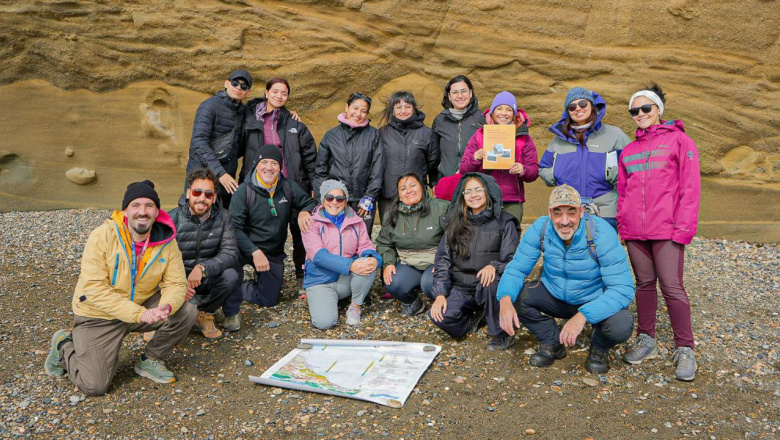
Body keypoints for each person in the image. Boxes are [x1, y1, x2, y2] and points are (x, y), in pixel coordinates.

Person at [45, 181, 196, 396]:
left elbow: (176, 283)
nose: (142, 212)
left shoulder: (166, 241)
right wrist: (140, 314)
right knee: (94, 386)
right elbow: (95, 289)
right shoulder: (102, 236)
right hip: (99, 315)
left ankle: (151, 359)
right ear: (125, 210)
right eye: (135, 205)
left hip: (140, 306)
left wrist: (166, 306)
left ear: (156, 211)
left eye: (149, 205)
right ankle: (63, 345)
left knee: (186, 310)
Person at [497, 185, 635, 374]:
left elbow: (622, 289)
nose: (564, 221)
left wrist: (583, 316)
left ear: (581, 212)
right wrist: (505, 299)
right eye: (557, 213)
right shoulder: (541, 228)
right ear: (549, 213)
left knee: (621, 324)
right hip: (555, 294)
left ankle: (599, 348)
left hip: (592, 297)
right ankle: (552, 341)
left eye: (571, 212)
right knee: (515, 295)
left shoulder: (601, 233)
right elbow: (517, 268)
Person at [618, 84, 701, 381]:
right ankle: (647, 339)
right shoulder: (628, 151)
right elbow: (623, 192)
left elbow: (690, 189)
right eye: (634, 110)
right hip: (635, 231)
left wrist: (684, 229)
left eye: (646, 108)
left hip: (667, 230)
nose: (640, 114)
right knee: (643, 284)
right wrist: (623, 224)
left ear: (658, 110)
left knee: (672, 286)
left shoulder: (680, 141)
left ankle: (685, 348)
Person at [239, 77, 318, 288]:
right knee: (263, 228)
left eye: (284, 93)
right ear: (266, 93)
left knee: (300, 230)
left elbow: (310, 158)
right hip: (260, 186)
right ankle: (259, 269)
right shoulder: (250, 120)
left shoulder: (294, 124)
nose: (279, 96)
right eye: (275, 91)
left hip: (291, 184)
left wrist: (313, 186)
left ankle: (302, 272)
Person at [429, 173, 519, 350]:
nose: (473, 195)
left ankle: (501, 333)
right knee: (439, 316)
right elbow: (443, 260)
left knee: (490, 283)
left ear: (488, 192)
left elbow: (514, 260)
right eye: (468, 191)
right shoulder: (455, 222)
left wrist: (494, 266)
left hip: (489, 285)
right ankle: (476, 318)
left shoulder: (504, 222)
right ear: (462, 196)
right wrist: (439, 295)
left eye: (478, 189)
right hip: (462, 286)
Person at [230, 144, 317, 309]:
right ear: (256, 165)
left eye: (274, 163)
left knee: (269, 300)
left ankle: (246, 286)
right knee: (227, 278)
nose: (269, 167)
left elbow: (310, 202)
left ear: (280, 167)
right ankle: (234, 285)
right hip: (245, 248)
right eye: (264, 162)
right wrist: (254, 251)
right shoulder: (243, 192)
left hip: (272, 252)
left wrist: (304, 211)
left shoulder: (288, 186)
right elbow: (234, 228)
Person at [539, 87, 631, 229]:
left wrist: (615, 175)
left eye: (583, 104)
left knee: (603, 244)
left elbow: (633, 165)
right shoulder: (558, 140)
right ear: (568, 112)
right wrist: (554, 174)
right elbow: (543, 168)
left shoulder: (615, 135)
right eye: (572, 106)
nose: (578, 108)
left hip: (605, 210)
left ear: (592, 106)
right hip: (568, 211)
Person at [169, 168, 241, 338]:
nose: (202, 198)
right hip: (177, 279)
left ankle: (204, 313)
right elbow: (158, 260)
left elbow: (230, 252)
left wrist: (203, 268)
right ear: (188, 193)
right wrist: (179, 283)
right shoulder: (172, 218)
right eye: (197, 192)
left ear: (214, 198)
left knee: (231, 275)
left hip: (204, 277)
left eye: (208, 194)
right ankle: (160, 319)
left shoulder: (223, 217)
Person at [302, 180, 382, 330]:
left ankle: (355, 306)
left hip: (345, 278)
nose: (334, 202)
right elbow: (318, 256)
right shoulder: (310, 223)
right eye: (329, 197)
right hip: (321, 280)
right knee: (324, 323)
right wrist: (350, 265)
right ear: (323, 200)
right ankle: (323, 299)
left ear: (345, 202)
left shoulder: (357, 221)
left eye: (340, 199)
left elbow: (365, 245)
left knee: (367, 264)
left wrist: (374, 259)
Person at [460, 91, 539, 226]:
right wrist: (475, 158)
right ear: (492, 112)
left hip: (512, 199)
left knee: (511, 234)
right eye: (499, 108)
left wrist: (523, 170)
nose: (503, 113)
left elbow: (534, 171)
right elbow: (464, 169)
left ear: (514, 114)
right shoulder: (479, 135)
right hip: (484, 197)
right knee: (485, 235)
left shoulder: (524, 138)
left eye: (509, 109)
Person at [375, 173, 449, 316]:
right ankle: (414, 302)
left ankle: (445, 304)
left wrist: (444, 261)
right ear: (399, 195)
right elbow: (384, 242)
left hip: (436, 262)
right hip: (409, 263)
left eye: (413, 185)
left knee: (430, 284)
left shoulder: (441, 208)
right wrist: (389, 262)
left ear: (422, 187)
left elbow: (454, 238)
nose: (408, 191)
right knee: (392, 282)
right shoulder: (392, 214)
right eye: (403, 189)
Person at [314, 92, 384, 232]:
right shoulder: (331, 135)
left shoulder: (373, 134)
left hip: (363, 199)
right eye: (355, 108)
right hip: (336, 199)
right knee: (336, 236)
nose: (358, 113)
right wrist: (324, 197)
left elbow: (378, 168)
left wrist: (370, 196)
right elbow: (321, 170)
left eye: (363, 111)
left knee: (362, 237)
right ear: (347, 107)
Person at [186, 69, 253, 208]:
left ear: (248, 92)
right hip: (202, 174)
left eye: (244, 86)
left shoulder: (243, 112)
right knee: (196, 212)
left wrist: (288, 113)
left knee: (223, 216)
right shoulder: (209, 106)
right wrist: (220, 173)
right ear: (226, 83)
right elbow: (199, 142)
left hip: (227, 179)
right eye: (235, 83)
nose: (238, 88)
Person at [377, 90, 439, 216]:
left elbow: (433, 164)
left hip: (416, 196)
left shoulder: (427, 134)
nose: (403, 111)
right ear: (392, 110)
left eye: (407, 106)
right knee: (389, 228)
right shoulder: (383, 133)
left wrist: (434, 184)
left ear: (414, 108)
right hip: (388, 196)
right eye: (399, 107)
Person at [432, 75, 485, 179]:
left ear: (470, 93)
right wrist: (434, 181)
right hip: (447, 180)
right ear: (449, 96)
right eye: (455, 92)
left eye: (463, 91)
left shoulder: (482, 118)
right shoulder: (440, 120)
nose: (460, 96)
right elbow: (434, 155)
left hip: (475, 181)